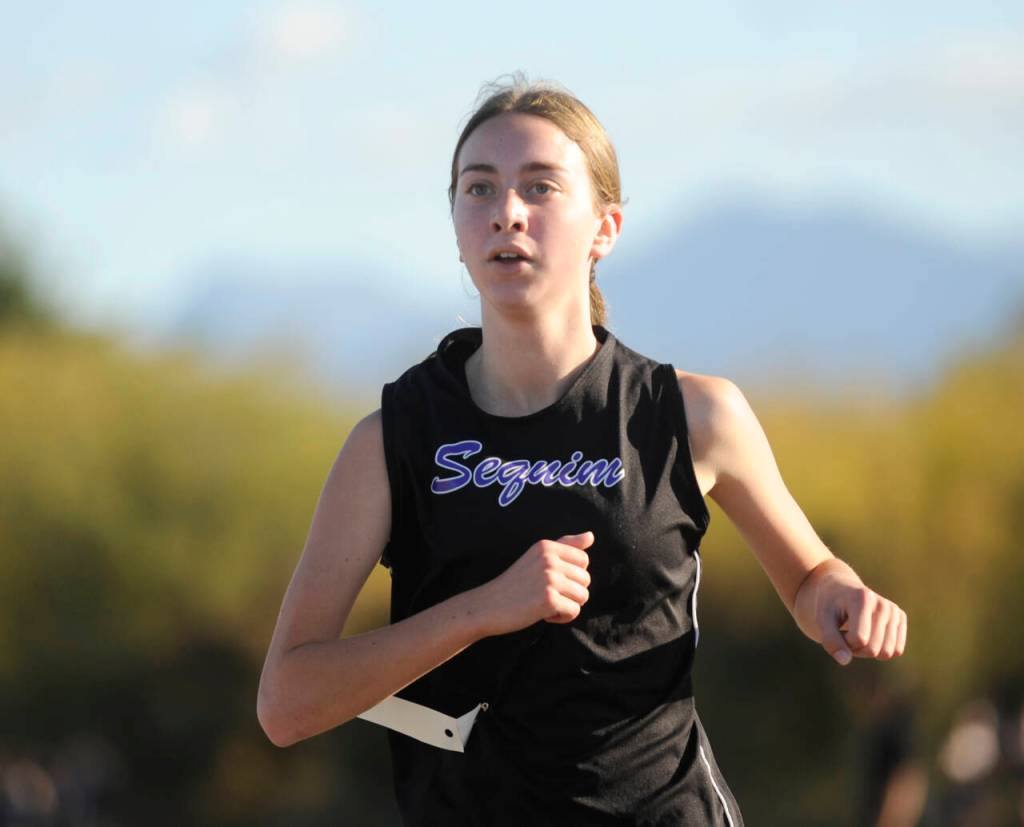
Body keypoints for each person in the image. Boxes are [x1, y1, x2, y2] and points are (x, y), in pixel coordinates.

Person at [256, 73, 909, 825]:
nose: (507, 213)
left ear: (605, 227)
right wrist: (483, 609)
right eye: (480, 190)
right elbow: (286, 702)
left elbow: (808, 579)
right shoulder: (392, 439)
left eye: (540, 188)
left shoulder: (692, 415)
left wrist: (842, 598)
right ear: (457, 226)